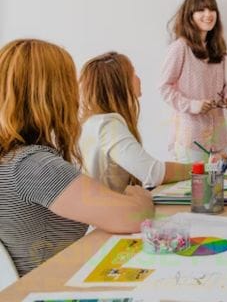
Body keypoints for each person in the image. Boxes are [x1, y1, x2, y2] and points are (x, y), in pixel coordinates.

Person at [0, 39, 154, 277]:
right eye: (70, 82)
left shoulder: (11, 159)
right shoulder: (33, 166)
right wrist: (139, 196)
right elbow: (135, 217)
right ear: (54, 93)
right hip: (50, 288)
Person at [79, 52, 190, 193]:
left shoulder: (93, 121)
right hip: (105, 213)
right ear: (120, 85)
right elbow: (154, 173)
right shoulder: (107, 126)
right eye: (133, 73)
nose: (138, 78)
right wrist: (203, 168)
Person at [160, 0, 227, 163]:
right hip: (192, 137)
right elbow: (164, 88)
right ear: (190, 16)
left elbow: (222, 86)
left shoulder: (217, 48)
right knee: (193, 188)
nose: (208, 14)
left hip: (218, 137)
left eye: (212, 9)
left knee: (220, 187)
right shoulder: (180, 47)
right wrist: (193, 105)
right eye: (201, 10)